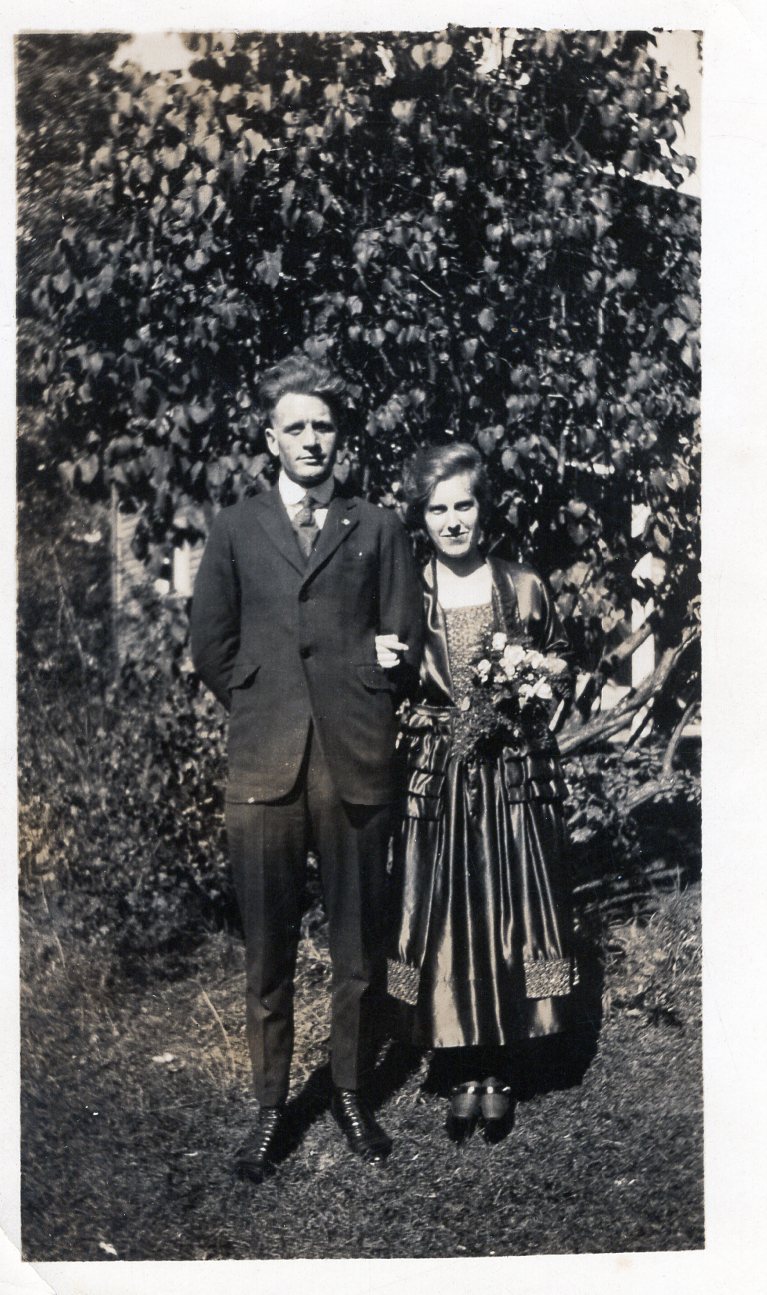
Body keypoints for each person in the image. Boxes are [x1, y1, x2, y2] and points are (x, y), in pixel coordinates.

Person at [191, 353, 422, 1181]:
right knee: (268, 948)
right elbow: (210, 645)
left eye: (323, 425)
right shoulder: (234, 527)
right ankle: (270, 1107)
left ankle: (352, 1091)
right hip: (264, 763)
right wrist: (266, 701)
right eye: (295, 427)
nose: (311, 439)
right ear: (270, 440)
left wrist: (362, 684)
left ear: (339, 436)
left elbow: (404, 642)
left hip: (355, 758)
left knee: (357, 946)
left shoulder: (377, 526)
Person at [385, 442, 577, 1141]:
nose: (453, 520)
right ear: (421, 517)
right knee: (446, 912)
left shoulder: (523, 586)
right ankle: (460, 1062)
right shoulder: (406, 593)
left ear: (482, 507)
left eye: (463, 504)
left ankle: (501, 1066)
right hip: (440, 775)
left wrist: (530, 690)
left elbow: (560, 661)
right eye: (438, 509)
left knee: (507, 905)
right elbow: (391, 686)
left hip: (509, 773)